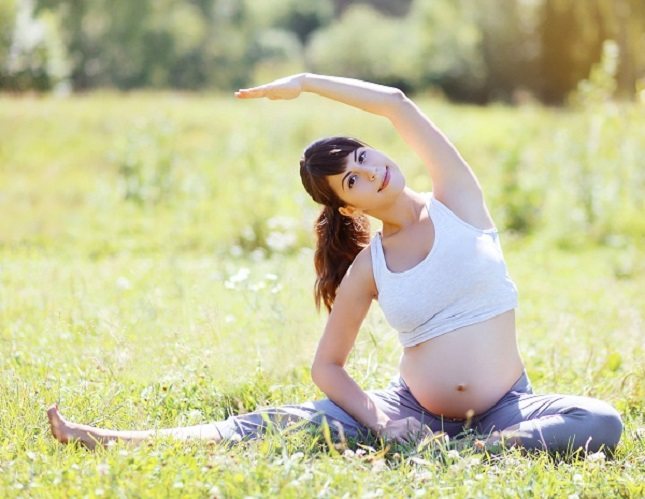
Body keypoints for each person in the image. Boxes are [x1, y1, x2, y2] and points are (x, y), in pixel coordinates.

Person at [48, 73, 622, 454]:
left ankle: (476, 452)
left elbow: (396, 104)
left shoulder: (458, 202)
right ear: (347, 204)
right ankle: (114, 438)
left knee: (599, 420)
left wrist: (306, 84)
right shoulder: (369, 267)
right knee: (276, 422)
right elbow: (328, 366)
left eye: (364, 156)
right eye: (352, 178)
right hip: (409, 414)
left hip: (508, 409)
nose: (371, 171)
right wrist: (379, 421)